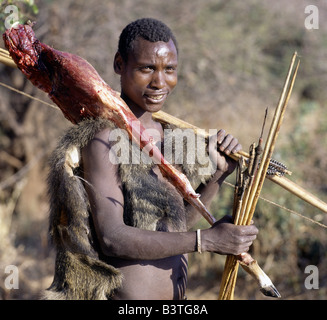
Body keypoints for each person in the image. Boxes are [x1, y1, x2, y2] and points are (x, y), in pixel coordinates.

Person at [45, 18, 258, 300]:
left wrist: (219, 176)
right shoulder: (104, 138)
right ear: (119, 65)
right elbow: (112, 237)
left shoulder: (166, 135)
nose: (159, 82)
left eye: (169, 69)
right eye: (147, 68)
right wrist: (205, 241)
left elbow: (174, 226)